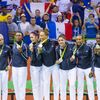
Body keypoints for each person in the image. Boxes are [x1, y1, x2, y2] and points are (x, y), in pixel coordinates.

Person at [38, 29, 59, 100]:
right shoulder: (39, 44)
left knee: (56, 83)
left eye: (42, 35)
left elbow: (48, 52)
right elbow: (39, 56)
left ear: (46, 36)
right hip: (45, 66)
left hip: (54, 65)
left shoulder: (52, 42)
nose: (40, 37)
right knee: (46, 84)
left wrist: (42, 48)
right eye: (40, 35)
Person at [56, 34, 77, 100]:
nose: (60, 42)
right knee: (62, 86)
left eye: (62, 40)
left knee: (72, 85)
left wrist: (74, 58)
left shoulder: (72, 46)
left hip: (72, 69)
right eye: (59, 40)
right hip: (62, 69)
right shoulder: (57, 49)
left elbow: (76, 52)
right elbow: (56, 61)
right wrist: (58, 61)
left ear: (65, 40)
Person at [76, 35, 95, 100]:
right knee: (80, 86)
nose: (78, 41)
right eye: (77, 39)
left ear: (83, 40)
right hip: (79, 69)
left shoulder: (88, 47)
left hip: (88, 68)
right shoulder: (75, 48)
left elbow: (92, 59)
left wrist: (92, 70)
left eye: (80, 39)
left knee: (90, 85)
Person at [12, 32, 29, 100]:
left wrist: (21, 51)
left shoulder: (25, 45)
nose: (18, 37)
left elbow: (27, 58)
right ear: (15, 37)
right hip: (14, 67)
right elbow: (12, 56)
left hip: (22, 67)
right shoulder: (14, 45)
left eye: (19, 35)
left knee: (21, 85)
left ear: (22, 37)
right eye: (16, 35)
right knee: (15, 86)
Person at [29, 31, 43, 100]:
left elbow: (40, 57)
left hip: (42, 66)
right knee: (35, 85)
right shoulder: (30, 45)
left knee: (42, 84)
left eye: (32, 37)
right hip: (34, 67)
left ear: (37, 37)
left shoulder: (41, 44)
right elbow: (32, 59)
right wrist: (31, 51)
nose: (31, 39)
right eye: (30, 37)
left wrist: (39, 51)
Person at [0, 34, 11, 100]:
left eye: (2, 39)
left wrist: (9, 65)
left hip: (4, 70)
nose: (1, 41)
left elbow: (11, 58)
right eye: (0, 39)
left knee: (4, 87)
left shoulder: (7, 48)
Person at [93, 33, 100, 100]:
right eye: (97, 38)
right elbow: (93, 59)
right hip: (97, 68)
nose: (98, 39)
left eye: (99, 38)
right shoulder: (94, 46)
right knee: (98, 84)